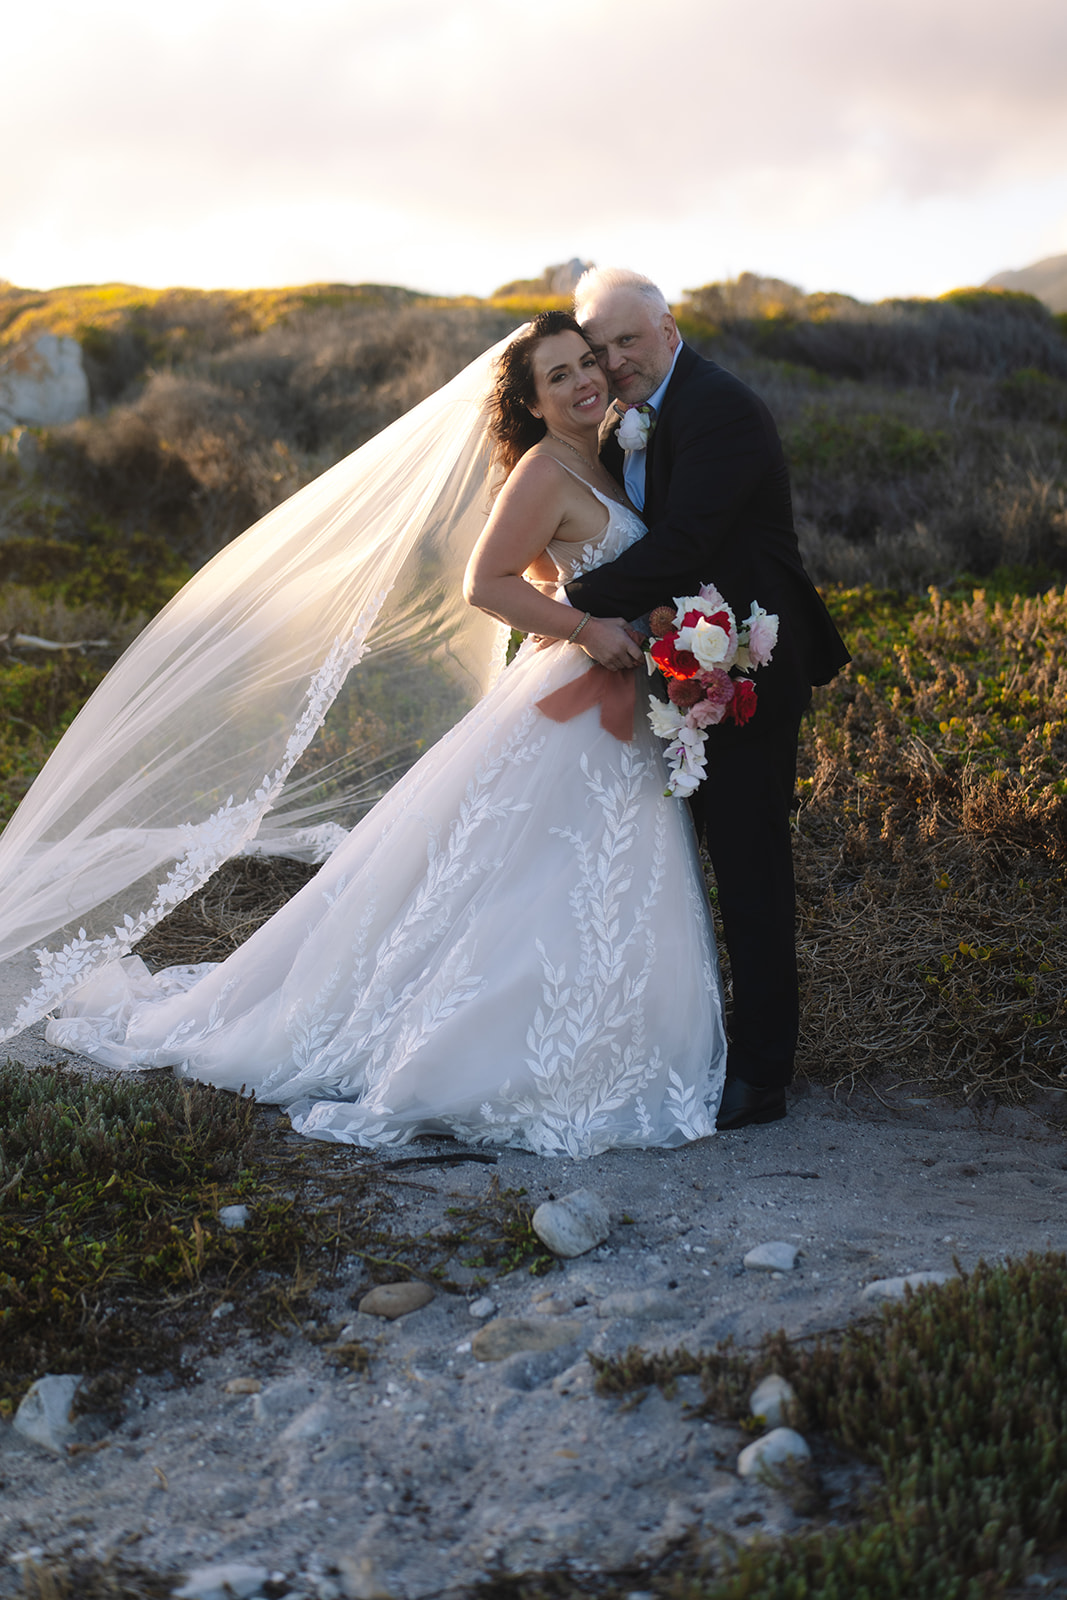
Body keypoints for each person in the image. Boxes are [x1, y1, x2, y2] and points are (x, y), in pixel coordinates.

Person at [38, 313, 728, 1158]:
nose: (586, 379)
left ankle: (611, 1032)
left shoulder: (610, 456)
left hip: (616, 697)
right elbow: (487, 582)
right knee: (532, 874)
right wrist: (586, 631)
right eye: (559, 375)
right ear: (531, 401)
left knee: (583, 872)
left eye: (588, 362)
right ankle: (487, 1048)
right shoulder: (547, 472)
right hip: (573, 690)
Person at [565, 269, 851, 1131]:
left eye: (627, 341)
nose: (613, 363)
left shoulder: (720, 406)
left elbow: (689, 542)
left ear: (668, 326)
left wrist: (562, 608)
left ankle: (762, 1074)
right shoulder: (627, 423)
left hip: (748, 665)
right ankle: (678, 1042)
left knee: (747, 860)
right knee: (671, 863)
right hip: (670, 663)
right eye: (599, 349)